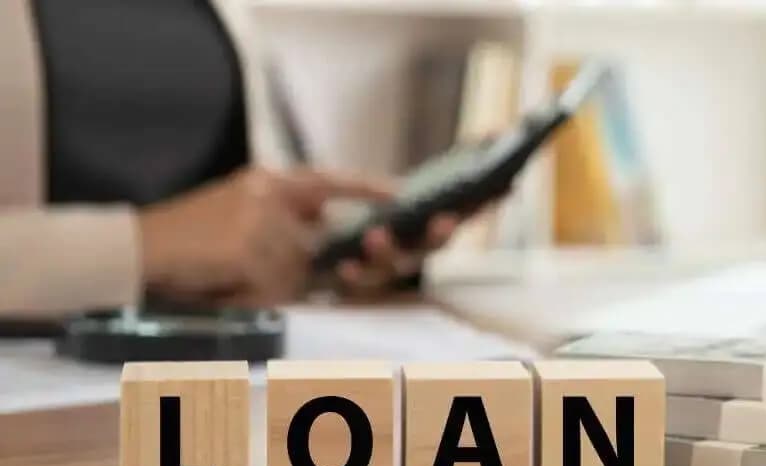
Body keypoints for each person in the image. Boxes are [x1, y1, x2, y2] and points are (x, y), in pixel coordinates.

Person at [0, 1, 459, 317]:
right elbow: (192, 235)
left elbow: (235, 200)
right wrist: (143, 246)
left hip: (202, 378)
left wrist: (328, 252)